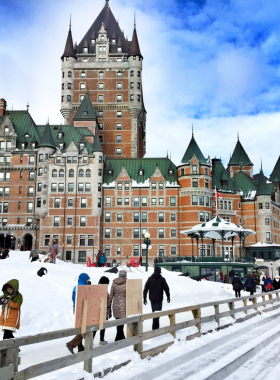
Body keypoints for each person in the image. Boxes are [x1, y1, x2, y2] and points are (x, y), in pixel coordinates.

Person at [66, 273, 91, 354]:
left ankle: (80, 347)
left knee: (80, 327)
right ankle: (72, 344)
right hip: (82, 309)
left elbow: (74, 299)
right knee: (84, 328)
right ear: (84, 279)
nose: (88, 281)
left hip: (76, 309)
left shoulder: (76, 287)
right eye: (87, 280)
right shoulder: (83, 288)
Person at [109, 270, 127, 341]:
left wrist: (108, 306)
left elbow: (111, 296)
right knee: (122, 323)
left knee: (118, 323)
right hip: (124, 305)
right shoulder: (127, 283)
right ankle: (118, 339)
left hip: (115, 305)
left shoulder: (114, 283)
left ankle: (122, 338)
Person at [93, 276, 111, 345]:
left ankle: (91, 340)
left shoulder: (96, 288)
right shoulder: (102, 290)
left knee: (96, 327)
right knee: (102, 326)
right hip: (102, 311)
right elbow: (106, 300)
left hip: (97, 311)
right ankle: (101, 340)